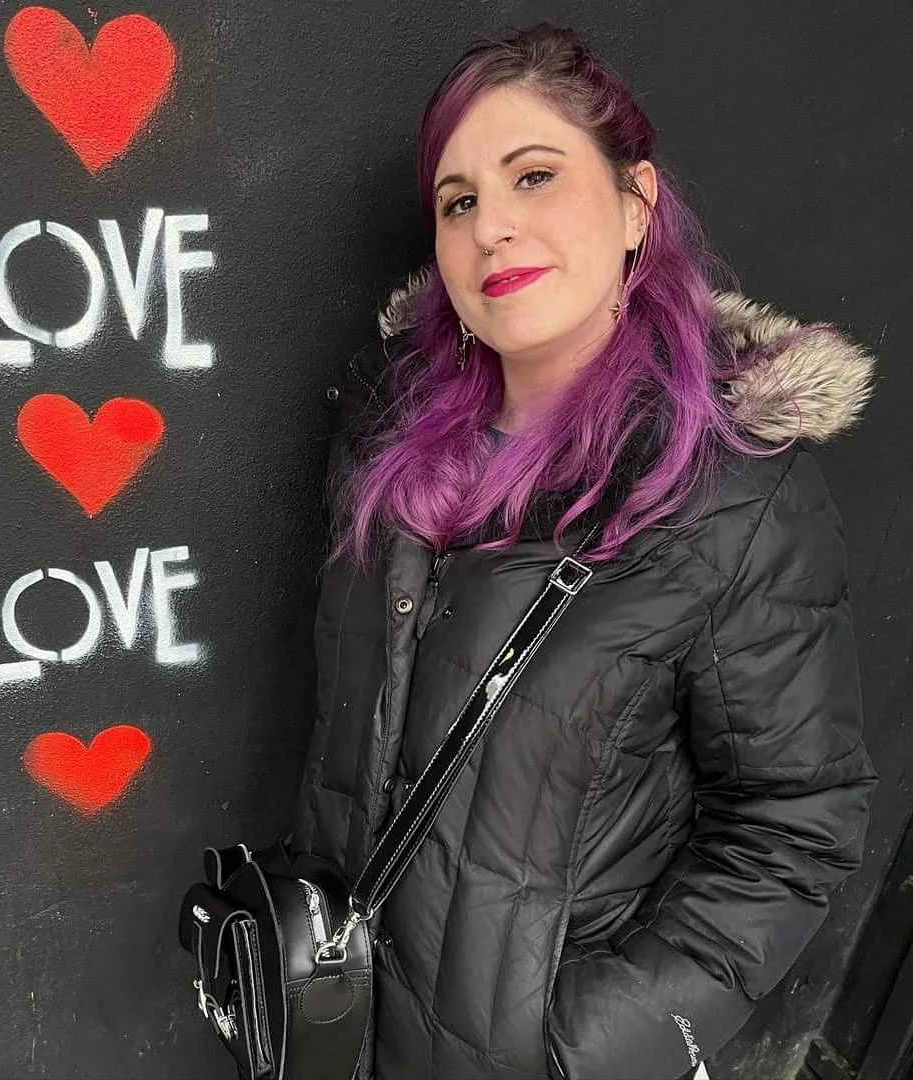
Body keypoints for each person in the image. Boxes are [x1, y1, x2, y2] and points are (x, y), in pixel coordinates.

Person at [289, 22, 878, 1080]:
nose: (491, 229)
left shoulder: (738, 494)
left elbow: (796, 819)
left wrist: (591, 1048)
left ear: (636, 205)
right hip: (338, 1034)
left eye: (535, 177)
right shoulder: (388, 433)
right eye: (459, 201)